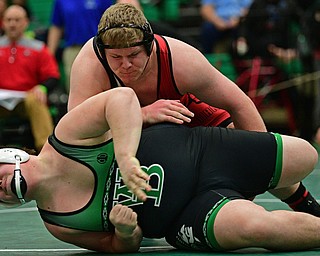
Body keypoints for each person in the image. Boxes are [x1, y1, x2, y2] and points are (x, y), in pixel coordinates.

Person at [68, 3, 320, 216]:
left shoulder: (180, 59)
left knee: (250, 153)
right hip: (128, 136)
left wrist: (258, 163)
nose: (125, 66)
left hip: (186, 113)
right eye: (116, 58)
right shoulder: (91, 64)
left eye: (133, 55)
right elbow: (74, 133)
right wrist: (141, 115)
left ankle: (308, 207)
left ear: (150, 45)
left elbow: (239, 103)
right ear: (103, 52)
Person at [0, 87, 319, 253]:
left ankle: (306, 206)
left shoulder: (66, 137)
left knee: (305, 157)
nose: (0, 187)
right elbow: (119, 246)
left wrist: (124, 157)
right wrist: (125, 232)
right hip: (187, 216)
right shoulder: (59, 224)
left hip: (204, 151)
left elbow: (121, 98)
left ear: (10, 154)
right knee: (255, 227)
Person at [0, 5, 60, 152]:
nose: (12, 24)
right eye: (9, 20)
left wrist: (42, 87)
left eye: (17, 20)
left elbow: (53, 76)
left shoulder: (38, 48)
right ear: (3, 22)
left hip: (27, 99)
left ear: (26, 22)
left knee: (36, 98)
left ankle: (47, 150)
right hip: (1, 101)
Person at [47, 0, 113, 92]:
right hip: (73, 49)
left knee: (102, 84)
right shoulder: (61, 1)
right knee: (74, 87)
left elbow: (111, 22)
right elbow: (56, 26)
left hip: (98, 48)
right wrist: (50, 54)